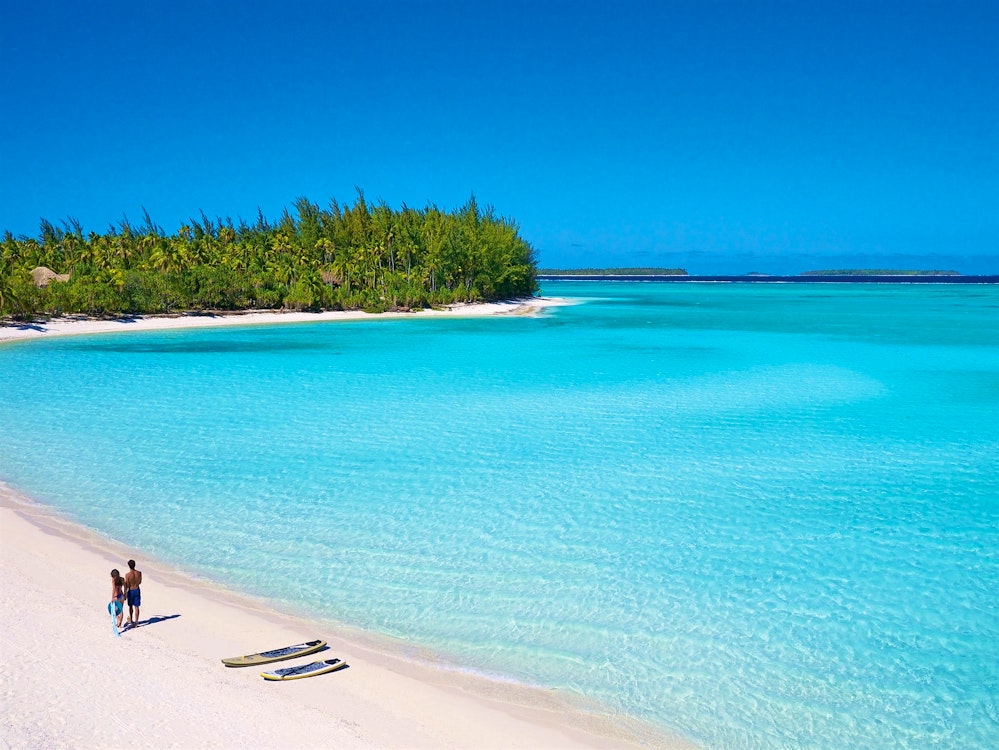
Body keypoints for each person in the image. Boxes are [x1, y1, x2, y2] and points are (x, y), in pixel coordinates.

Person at [124, 559, 142, 627]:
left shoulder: (127, 575)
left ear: (129, 566)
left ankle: (131, 620)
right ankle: (136, 622)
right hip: (137, 589)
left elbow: (127, 585)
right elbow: (140, 582)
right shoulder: (139, 573)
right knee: (137, 607)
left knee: (130, 606)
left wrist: (125, 594)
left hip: (131, 591)